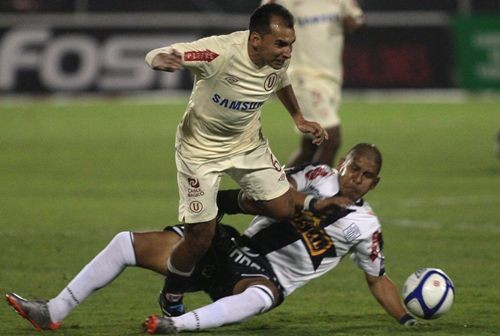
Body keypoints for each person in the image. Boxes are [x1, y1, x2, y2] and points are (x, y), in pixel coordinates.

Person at [6, 143, 418, 333]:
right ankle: (52, 310)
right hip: (234, 247)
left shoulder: (367, 228)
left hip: (264, 278)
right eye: (353, 168)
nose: (357, 179)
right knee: (124, 243)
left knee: (262, 297)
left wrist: (405, 318)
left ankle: (175, 323)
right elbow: (276, 195)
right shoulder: (317, 177)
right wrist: (310, 205)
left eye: (366, 176)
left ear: (375, 182)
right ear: (342, 164)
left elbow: (376, 278)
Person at [144, 3, 327, 316]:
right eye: (281, 44)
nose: (287, 52)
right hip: (199, 151)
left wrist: (298, 116)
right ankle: (172, 295)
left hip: (247, 145)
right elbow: (168, 53)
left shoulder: (275, 59)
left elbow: (280, 80)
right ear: (255, 39)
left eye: (291, 45)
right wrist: (160, 58)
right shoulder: (220, 53)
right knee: (200, 238)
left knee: (283, 208)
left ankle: (221, 204)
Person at [262, 0, 365, 167]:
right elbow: (263, 22)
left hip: (331, 78)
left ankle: (282, 190)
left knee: (309, 149)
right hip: (302, 76)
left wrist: (353, 22)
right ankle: (318, 192)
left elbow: (359, 22)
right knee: (331, 139)